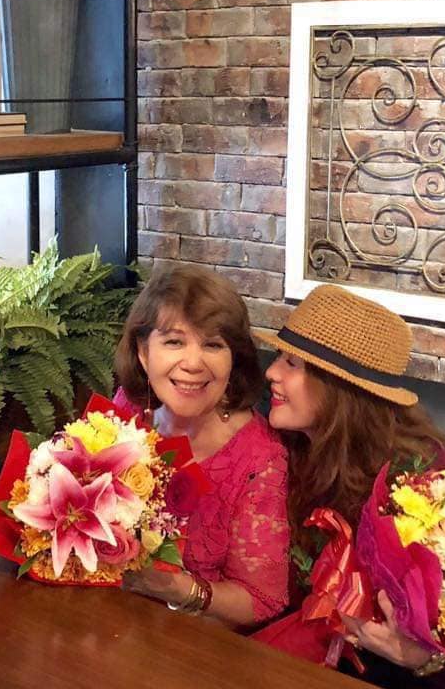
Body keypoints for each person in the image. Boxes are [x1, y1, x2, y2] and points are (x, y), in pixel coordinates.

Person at [254, 284, 445, 689]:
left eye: (292, 363)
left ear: (339, 387)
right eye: (279, 356)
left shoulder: (423, 482)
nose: (272, 372)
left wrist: (423, 656)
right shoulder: (291, 448)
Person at [115, 265, 289, 629]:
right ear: (144, 353)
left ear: (233, 359)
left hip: (193, 641)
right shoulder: (127, 410)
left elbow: (261, 600)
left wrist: (178, 589)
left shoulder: (259, 457)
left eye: (213, 344)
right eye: (174, 342)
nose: (193, 364)